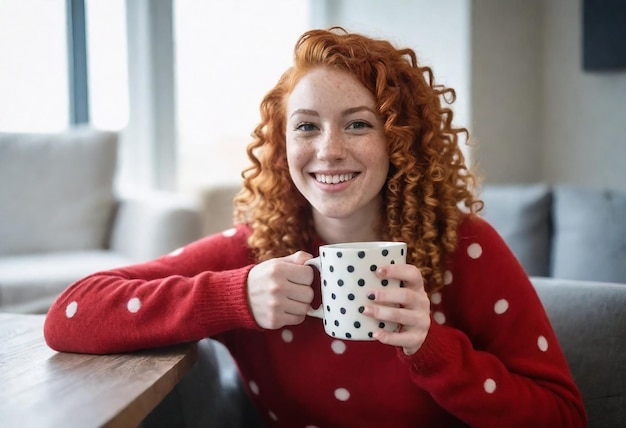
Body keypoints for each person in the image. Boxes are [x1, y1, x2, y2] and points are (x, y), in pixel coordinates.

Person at [44, 27, 586, 427]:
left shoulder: (465, 249)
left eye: (358, 123)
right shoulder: (251, 255)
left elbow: (564, 417)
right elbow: (71, 314)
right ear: (284, 145)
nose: (329, 150)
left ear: (398, 141)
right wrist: (234, 297)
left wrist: (432, 348)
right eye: (307, 126)